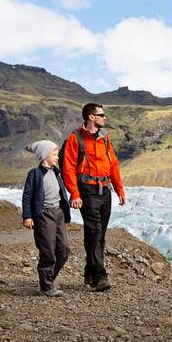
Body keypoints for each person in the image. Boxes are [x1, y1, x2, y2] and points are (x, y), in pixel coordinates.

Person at [62, 103, 126, 292]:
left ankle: (90, 274)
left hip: (105, 190)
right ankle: (99, 277)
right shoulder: (76, 139)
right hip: (87, 191)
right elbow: (68, 168)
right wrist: (74, 193)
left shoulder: (105, 140)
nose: (104, 118)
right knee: (94, 232)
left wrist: (119, 190)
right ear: (91, 117)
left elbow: (113, 165)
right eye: (101, 115)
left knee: (100, 235)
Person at [22, 140, 72, 297]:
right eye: (55, 154)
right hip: (44, 215)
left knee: (64, 249)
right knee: (47, 250)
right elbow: (27, 195)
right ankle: (47, 285)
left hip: (58, 214)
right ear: (44, 155)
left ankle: (48, 279)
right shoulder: (35, 174)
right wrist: (27, 216)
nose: (58, 157)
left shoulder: (56, 172)